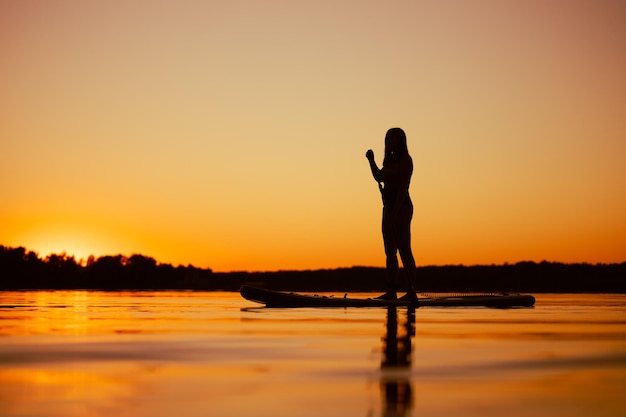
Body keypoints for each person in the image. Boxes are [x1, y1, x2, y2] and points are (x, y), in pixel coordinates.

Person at [366, 128, 418, 303]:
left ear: (400, 141)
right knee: (390, 251)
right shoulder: (388, 160)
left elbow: (403, 187)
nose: (388, 141)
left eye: (392, 138)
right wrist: (371, 161)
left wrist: (395, 213)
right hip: (387, 209)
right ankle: (391, 291)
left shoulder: (405, 160)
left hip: (401, 208)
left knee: (404, 249)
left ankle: (411, 292)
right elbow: (379, 177)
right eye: (387, 138)